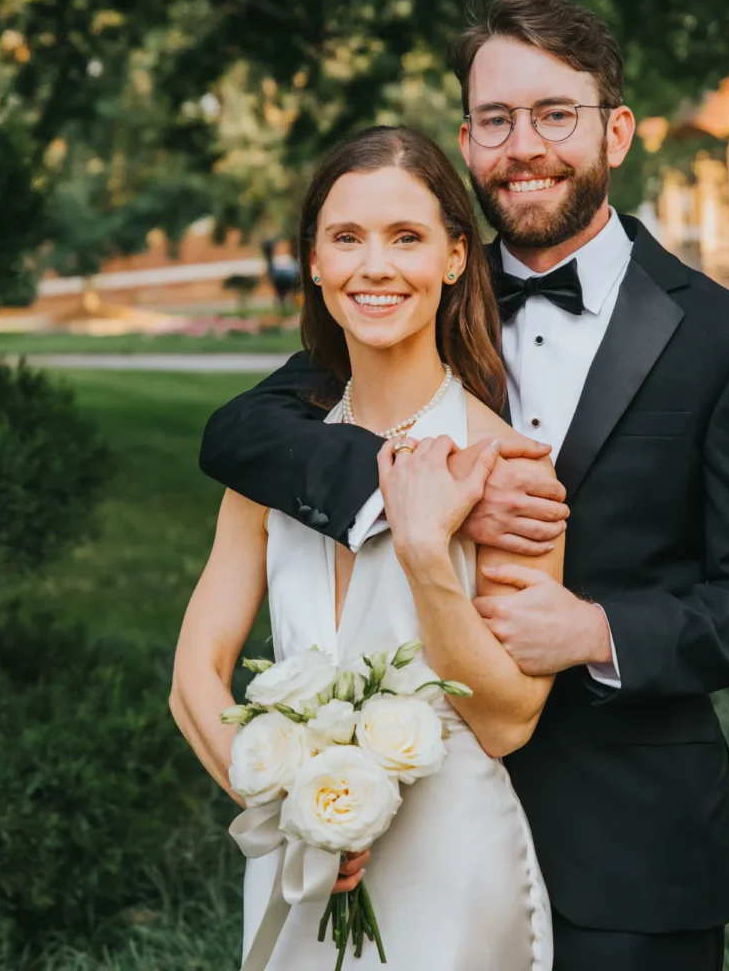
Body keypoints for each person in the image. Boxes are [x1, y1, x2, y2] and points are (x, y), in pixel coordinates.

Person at [190, 0, 729, 971]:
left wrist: (595, 629)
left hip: (628, 845)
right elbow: (246, 431)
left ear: (617, 130)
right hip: (411, 833)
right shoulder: (417, 284)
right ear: (468, 139)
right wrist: (434, 486)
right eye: (496, 120)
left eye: (554, 115)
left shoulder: (722, 343)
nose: (524, 146)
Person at [171, 125, 558, 970]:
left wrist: (426, 558)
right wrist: (288, 806)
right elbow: (194, 673)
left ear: (457, 259)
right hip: (302, 863)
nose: (374, 267)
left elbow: (508, 721)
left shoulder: (509, 471)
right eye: (347, 238)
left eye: (406, 238)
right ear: (313, 261)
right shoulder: (273, 460)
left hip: (450, 872)